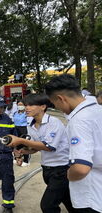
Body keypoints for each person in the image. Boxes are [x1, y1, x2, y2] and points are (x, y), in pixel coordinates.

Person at [7, 94, 75, 213]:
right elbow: (37, 147)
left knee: (47, 206)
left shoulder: (54, 122)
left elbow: (49, 147)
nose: (26, 108)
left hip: (61, 169)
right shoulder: (31, 125)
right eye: (25, 105)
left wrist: (21, 140)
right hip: (47, 169)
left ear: (43, 107)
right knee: (68, 200)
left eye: (30, 105)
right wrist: (24, 151)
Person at [45, 74, 102, 213]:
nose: (57, 108)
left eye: (55, 104)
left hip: (91, 196)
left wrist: (69, 174)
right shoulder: (97, 110)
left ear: (61, 98)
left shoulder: (79, 120)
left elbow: (81, 168)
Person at [12, 101, 30, 167]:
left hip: (24, 129)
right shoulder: (15, 113)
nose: (20, 106)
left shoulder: (27, 114)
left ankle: (26, 160)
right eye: (18, 104)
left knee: (24, 145)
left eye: (21, 104)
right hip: (16, 129)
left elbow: (29, 123)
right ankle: (16, 157)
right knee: (16, 144)